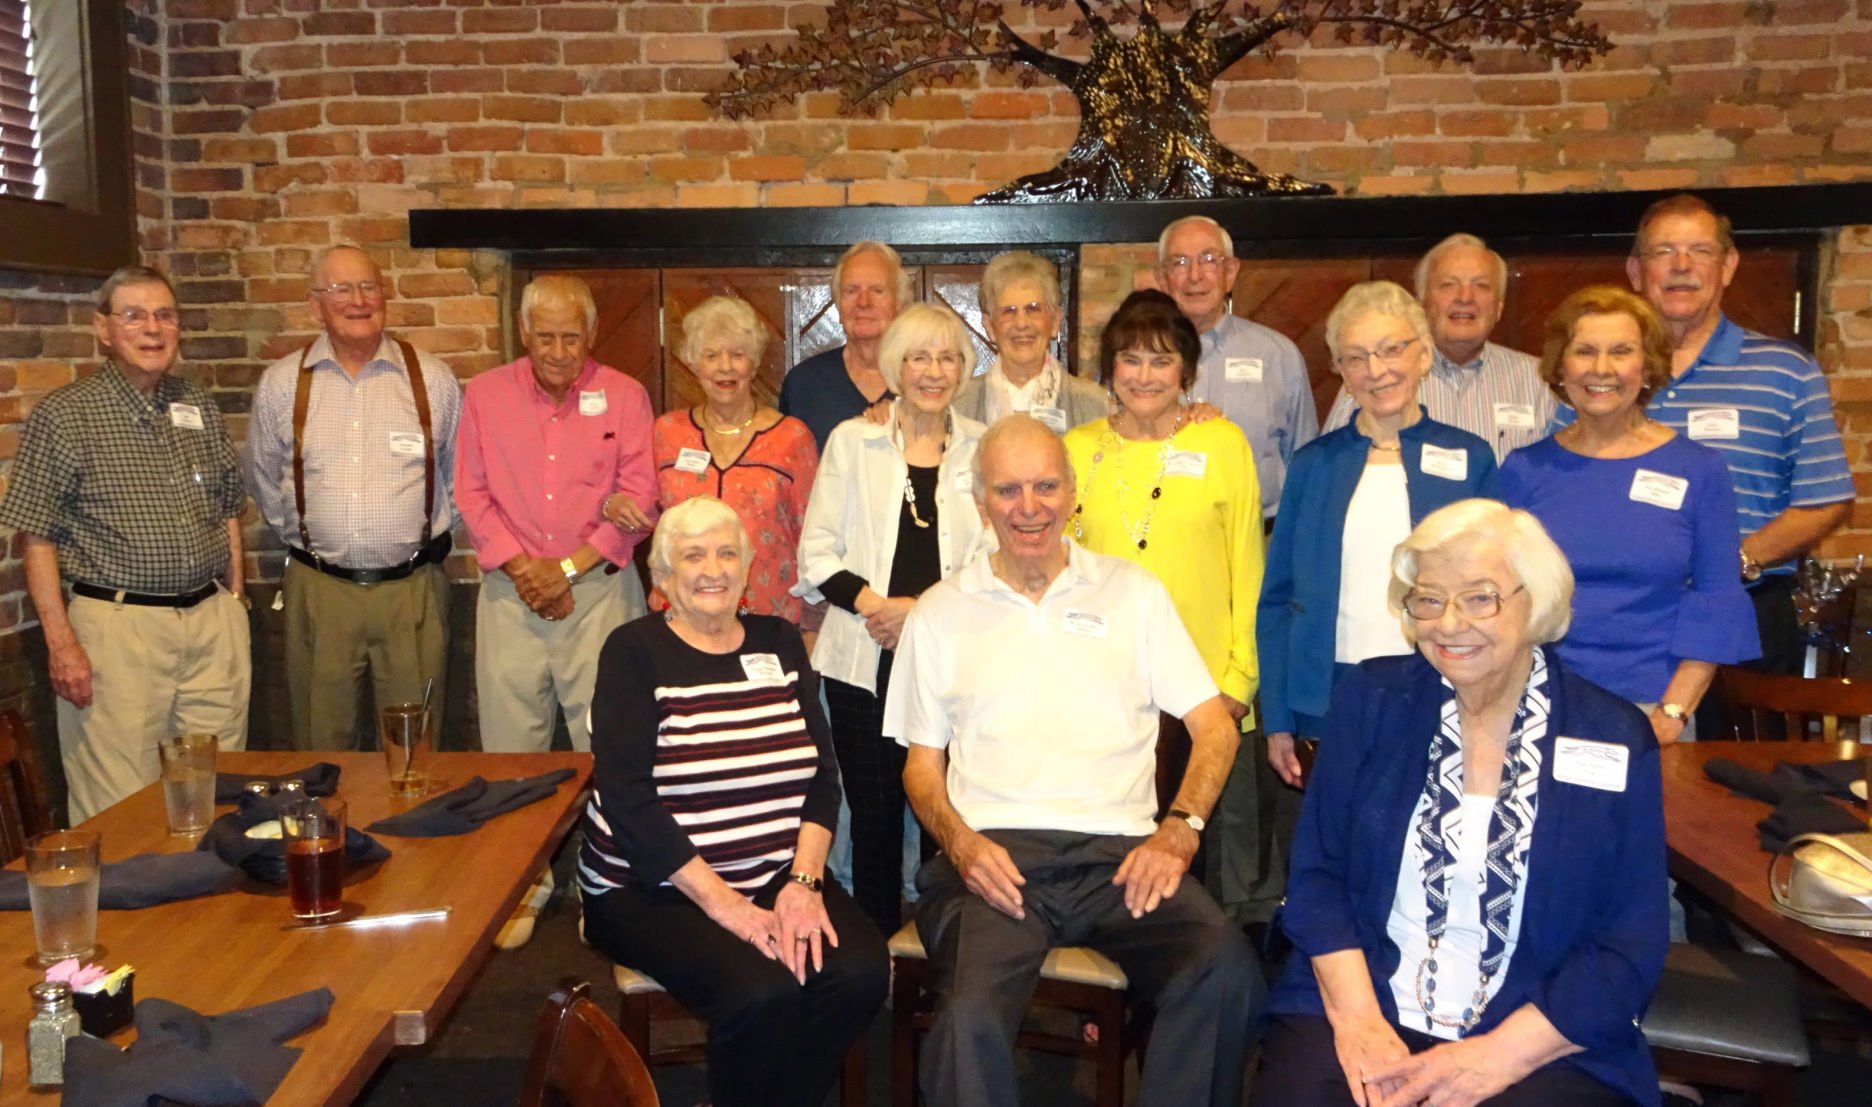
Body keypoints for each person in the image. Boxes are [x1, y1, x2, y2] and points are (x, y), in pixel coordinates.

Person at [886, 415, 1264, 1107]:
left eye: (1045, 485)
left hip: (1121, 857)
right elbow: (920, 765)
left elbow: (1216, 727)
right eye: (1007, 490)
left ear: (1072, 494)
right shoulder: (940, 612)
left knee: (1225, 969)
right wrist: (962, 844)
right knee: (967, 1019)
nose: (1028, 506)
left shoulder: (1134, 592)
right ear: (980, 503)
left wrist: (1179, 829)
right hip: (993, 860)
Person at [1258, 499, 1668, 1107]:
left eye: (1480, 597)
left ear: (1538, 601)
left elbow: (1628, 943)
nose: (1449, 623)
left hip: (1535, 1026)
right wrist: (1359, 1023)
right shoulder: (1372, 700)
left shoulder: (1611, 735)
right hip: (1366, 997)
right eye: (1428, 598)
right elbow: (1318, 879)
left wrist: (1492, 1058)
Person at [577, 497, 887, 1107]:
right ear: (662, 576)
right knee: (761, 992)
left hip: (774, 869)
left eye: (726, 553)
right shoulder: (634, 651)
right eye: (692, 555)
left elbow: (823, 777)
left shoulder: (778, 642)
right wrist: (728, 907)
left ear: (747, 568)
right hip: (652, 890)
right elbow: (627, 798)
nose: (712, 568)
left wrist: (803, 881)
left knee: (860, 974)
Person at [1255, 281, 1499, 927]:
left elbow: (1496, 596)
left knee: (1425, 858)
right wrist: (1277, 713)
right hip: (1329, 696)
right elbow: (1277, 597)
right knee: (1330, 859)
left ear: (1422, 355)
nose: (1377, 369)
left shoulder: (1471, 459)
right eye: (1357, 356)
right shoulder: (1315, 465)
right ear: (1338, 368)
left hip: (1436, 691)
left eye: (1392, 349)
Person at [0, 266, 250, 822]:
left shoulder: (197, 404)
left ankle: (206, 909)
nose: (152, 328)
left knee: (220, 794)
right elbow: (34, 535)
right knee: (120, 809)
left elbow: (229, 506)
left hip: (211, 627)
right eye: (133, 315)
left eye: (164, 315)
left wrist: (233, 598)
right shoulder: (66, 416)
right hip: (119, 633)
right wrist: (62, 645)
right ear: (104, 330)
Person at [794, 302, 989, 935]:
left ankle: (946, 947)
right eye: (919, 357)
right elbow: (817, 550)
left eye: (948, 357)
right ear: (894, 367)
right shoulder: (855, 441)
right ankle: (876, 947)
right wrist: (878, 607)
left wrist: (920, 612)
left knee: (948, 816)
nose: (934, 371)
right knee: (874, 816)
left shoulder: (985, 447)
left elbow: (995, 558)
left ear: (964, 369)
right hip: (862, 656)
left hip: (953, 660)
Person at [1609, 193, 1853, 676]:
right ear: (1636, 271)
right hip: (1625, 619)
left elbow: (1826, 499)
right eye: (1663, 252)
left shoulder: (1786, 372)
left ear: (1728, 265)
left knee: (1740, 753)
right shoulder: (1601, 376)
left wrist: (1733, 561)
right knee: (1624, 748)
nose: (1681, 266)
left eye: (1699, 251)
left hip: (1748, 612)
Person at [1501, 286, 1758, 741]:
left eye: (1621, 351)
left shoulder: (1699, 470)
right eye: (1584, 351)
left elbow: (1717, 599)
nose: (1602, 369)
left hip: (1651, 711)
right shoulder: (1524, 470)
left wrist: (1672, 714)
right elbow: (1500, 597)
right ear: (1561, 367)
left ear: (1648, 366)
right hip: (1538, 706)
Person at [248, 244, 463, 750]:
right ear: (314, 303)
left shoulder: (432, 378)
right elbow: (264, 480)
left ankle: (409, 832)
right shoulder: (283, 384)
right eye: (340, 289)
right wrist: (315, 540)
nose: (358, 300)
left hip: (412, 590)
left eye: (368, 286)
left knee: (415, 747)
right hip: (321, 591)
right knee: (322, 741)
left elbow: (458, 478)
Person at [1063, 289, 1261, 830]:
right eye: (1130, 359)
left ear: (1186, 372)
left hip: (1200, 688)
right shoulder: (1078, 449)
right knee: (1105, 842)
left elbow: (1248, 565)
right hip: (1099, 683)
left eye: (1162, 360)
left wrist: (1239, 681)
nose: (1144, 376)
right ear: (1110, 369)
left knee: (1182, 845)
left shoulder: (1221, 442)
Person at [629, 295, 821, 634]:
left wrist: (812, 626)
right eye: (711, 355)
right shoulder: (668, 432)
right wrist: (613, 502)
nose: (725, 367)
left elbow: (814, 536)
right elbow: (643, 506)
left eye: (737, 355)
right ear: (693, 363)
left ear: (755, 362)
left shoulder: (791, 438)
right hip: (680, 616)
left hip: (768, 618)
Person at [1323, 234, 1554, 461]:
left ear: (1499, 307)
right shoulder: (1375, 378)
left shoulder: (1537, 381)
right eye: (1448, 285)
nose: (1465, 297)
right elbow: (1330, 463)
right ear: (1422, 302)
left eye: (1481, 286)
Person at [1156, 214, 1317, 523]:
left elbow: (1304, 462)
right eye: (1179, 263)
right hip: (1161, 541)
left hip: (1261, 537)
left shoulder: (1277, 355)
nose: (1194, 275)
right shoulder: (1133, 362)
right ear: (1162, 279)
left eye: (1208, 260)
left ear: (1230, 273)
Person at [952, 250, 1106, 432]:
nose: (1022, 323)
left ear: (1055, 320)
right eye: (1008, 311)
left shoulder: (1097, 406)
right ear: (990, 327)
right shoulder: (957, 406)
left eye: (1033, 309)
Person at [780, 240, 911, 450]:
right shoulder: (804, 384)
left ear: (900, 304)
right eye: (851, 291)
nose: (863, 302)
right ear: (838, 304)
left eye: (877, 291)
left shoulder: (925, 381)